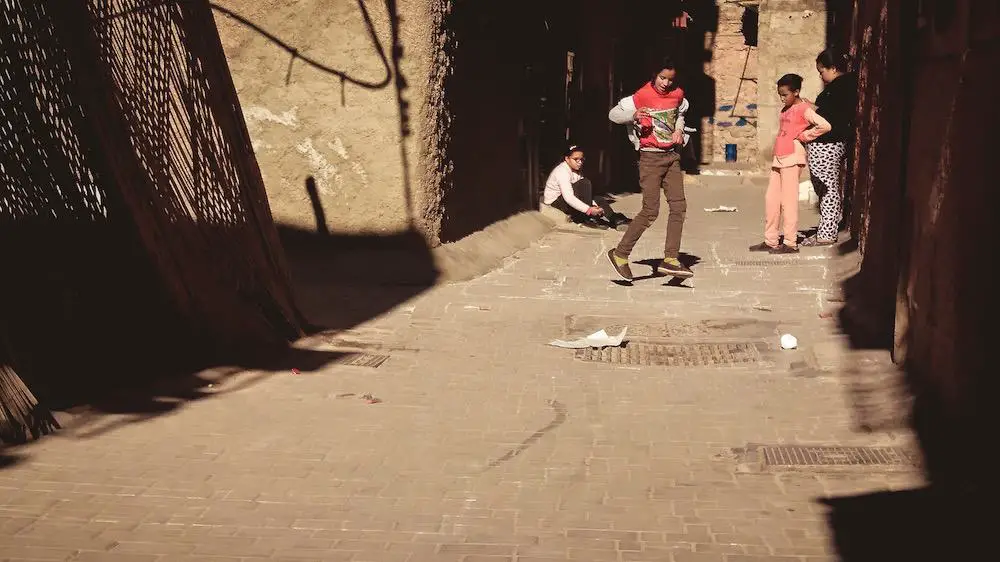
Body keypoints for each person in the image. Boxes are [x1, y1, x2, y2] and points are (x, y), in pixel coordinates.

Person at [605, 57, 692, 281]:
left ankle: (671, 259)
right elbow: (613, 115)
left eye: (670, 79)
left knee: (679, 206)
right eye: (662, 78)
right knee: (650, 210)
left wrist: (679, 130)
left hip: (671, 156)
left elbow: (680, 114)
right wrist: (632, 115)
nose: (666, 83)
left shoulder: (678, 95)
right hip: (650, 158)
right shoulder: (640, 96)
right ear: (654, 76)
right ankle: (620, 254)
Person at [749, 73, 831, 254]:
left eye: (785, 94)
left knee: (788, 201)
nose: (782, 98)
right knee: (771, 200)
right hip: (780, 157)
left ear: (796, 92)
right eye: (780, 94)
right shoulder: (785, 109)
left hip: (793, 157)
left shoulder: (804, 109)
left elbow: (825, 125)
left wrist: (804, 136)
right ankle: (770, 240)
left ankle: (790, 242)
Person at [802, 47, 857, 246]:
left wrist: (811, 108)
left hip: (829, 144)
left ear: (833, 68)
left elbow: (832, 116)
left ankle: (826, 233)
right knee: (825, 188)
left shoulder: (841, 87)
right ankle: (826, 229)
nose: (821, 76)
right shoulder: (841, 86)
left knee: (827, 189)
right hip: (827, 143)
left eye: (822, 71)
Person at [542, 145, 630, 230]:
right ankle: (588, 218)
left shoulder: (576, 170)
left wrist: (595, 205)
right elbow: (568, 197)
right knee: (585, 183)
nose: (579, 162)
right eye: (576, 159)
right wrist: (588, 210)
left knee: (598, 198)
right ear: (567, 159)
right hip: (555, 204)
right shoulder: (562, 172)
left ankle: (614, 218)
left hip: (567, 201)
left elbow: (584, 195)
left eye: (581, 159)